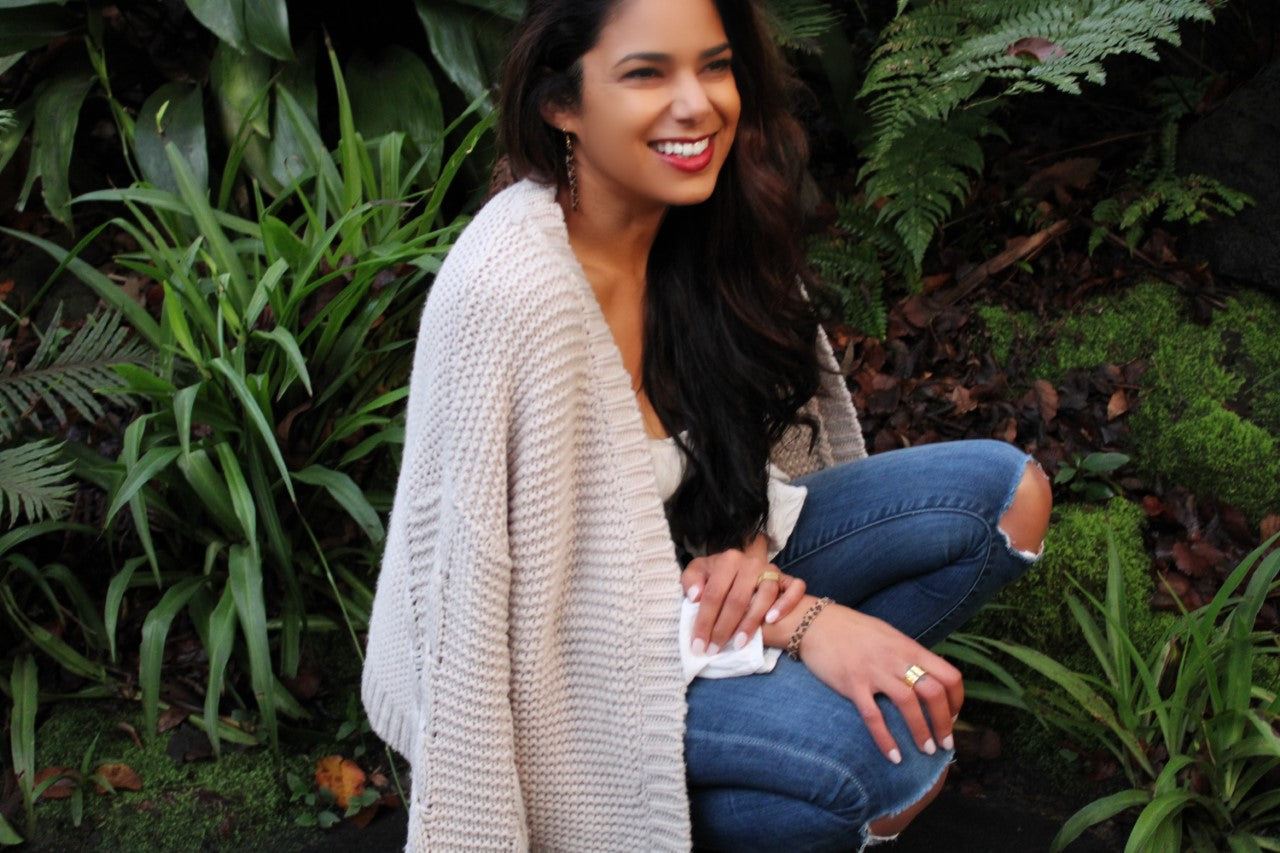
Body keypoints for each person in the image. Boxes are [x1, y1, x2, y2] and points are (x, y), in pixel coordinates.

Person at [361, 0, 1053, 849]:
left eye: (715, 66)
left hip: (703, 587)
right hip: (576, 666)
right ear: (561, 105)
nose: (698, 104)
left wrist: (751, 552)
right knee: (891, 763)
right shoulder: (510, 291)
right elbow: (490, 614)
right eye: (647, 73)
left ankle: (738, 770)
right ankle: (659, 805)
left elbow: (745, 458)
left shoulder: (710, 221)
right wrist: (805, 624)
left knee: (1006, 500)